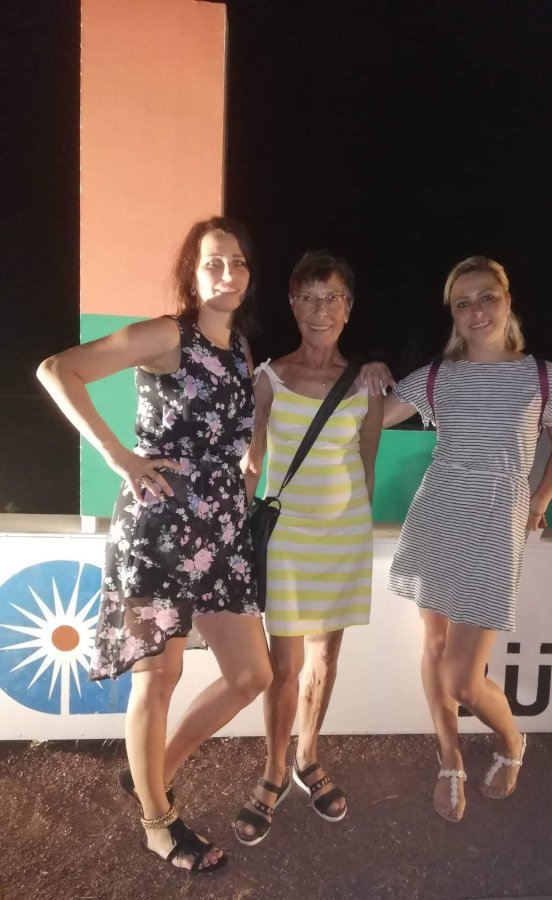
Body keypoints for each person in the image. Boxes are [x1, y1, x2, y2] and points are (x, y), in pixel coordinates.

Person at [37, 216, 273, 872]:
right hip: (159, 532)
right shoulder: (169, 335)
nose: (227, 273)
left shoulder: (241, 348)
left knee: (251, 675)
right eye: (213, 262)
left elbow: (237, 432)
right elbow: (58, 370)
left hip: (220, 534)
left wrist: (244, 478)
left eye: (238, 262)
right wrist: (120, 457)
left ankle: (152, 772)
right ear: (192, 274)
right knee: (159, 677)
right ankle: (158, 824)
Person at [365, 255, 552, 823]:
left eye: (487, 297)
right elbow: (370, 417)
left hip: (496, 525)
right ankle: (450, 758)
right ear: (453, 315)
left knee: (463, 680)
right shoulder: (439, 376)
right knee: (435, 647)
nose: (476, 310)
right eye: (463, 303)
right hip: (438, 515)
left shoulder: (543, 376)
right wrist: (369, 377)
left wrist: (540, 500)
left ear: (507, 301)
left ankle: (512, 739)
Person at [234, 250, 383, 845]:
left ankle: (308, 757)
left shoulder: (367, 382)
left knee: (326, 658)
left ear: (349, 308)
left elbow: (366, 465)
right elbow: (251, 465)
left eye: (332, 298)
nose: (321, 311)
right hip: (290, 539)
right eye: (309, 298)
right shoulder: (268, 379)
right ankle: (274, 770)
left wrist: (354, 524)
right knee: (286, 667)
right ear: (292, 305)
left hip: (342, 538)